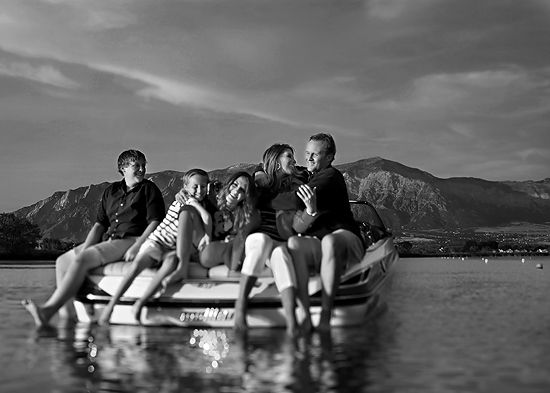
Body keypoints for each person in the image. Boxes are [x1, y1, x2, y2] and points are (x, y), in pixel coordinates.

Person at [22, 149, 165, 328]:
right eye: (137, 166)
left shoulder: (149, 189)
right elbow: (99, 225)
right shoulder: (111, 191)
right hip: (108, 239)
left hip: (132, 239)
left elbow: (155, 222)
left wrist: (139, 245)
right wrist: (87, 247)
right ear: (123, 168)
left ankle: (48, 310)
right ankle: (67, 316)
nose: (143, 170)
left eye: (144, 165)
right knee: (62, 262)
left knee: (82, 259)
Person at [98, 168, 213, 325]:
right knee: (136, 267)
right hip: (157, 241)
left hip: (172, 248)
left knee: (171, 262)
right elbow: (204, 216)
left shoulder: (201, 202)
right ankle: (111, 306)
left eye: (204, 186)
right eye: (195, 186)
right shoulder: (188, 200)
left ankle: (141, 302)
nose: (200, 190)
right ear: (185, 187)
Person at [274, 133, 365, 331]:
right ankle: (305, 313)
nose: (309, 158)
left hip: (346, 237)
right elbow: (279, 170)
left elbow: (295, 200)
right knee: (295, 244)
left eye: (315, 154)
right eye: (307, 153)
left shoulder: (331, 176)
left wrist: (269, 196)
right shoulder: (309, 175)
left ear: (330, 157)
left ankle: (325, 313)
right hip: (320, 242)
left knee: (330, 241)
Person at [234, 143, 318, 336]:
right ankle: (240, 308)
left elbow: (299, 218)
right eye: (289, 156)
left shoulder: (296, 186)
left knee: (280, 253)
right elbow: (235, 189)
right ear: (276, 161)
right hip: (256, 239)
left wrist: (309, 209)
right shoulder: (257, 184)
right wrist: (259, 172)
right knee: (262, 241)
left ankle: (291, 323)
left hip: (279, 241)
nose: (294, 160)